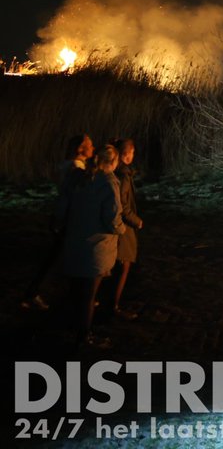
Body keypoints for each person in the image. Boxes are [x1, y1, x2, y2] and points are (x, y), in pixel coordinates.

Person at [58, 143, 125, 349]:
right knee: (89, 295)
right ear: (113, 162)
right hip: (96, 247)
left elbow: (63, 203)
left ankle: (71, 329)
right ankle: (83, 336)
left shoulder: (80, 178)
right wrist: (122, 230)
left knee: (76, 292)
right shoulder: (108, 182)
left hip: (74, 242)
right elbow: (112, 218)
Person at [20, 134, 94, 311]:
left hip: (64, 217)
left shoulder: (71, 165)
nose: (93, 147)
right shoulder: (76, 168)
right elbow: (72, 196)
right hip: (69, 219)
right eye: (89, 145)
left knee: (59, 257)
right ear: (80, 149)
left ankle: (38, 293)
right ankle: (34, 294)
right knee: (57, 258)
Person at [108, 137, 143, 319]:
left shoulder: (113, 171)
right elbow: (122, 204)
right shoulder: (123, 175)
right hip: (123, 227)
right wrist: (136, 220)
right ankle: (113, 306)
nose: (133, 155)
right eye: (132, 152)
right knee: (123, 265)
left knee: (117, 266)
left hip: (117, 225)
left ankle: (110, 303)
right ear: (126, 155)